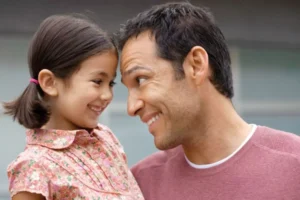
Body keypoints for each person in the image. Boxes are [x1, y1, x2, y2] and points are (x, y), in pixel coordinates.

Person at [115, 2, 300, 199]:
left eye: (141, 80)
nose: (131, 107)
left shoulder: (294, 166)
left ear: (196, 65)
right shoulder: (140, 185)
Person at [3, 15, 143, 200]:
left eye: (110, 83)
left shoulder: (106, 140)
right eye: (97, 81)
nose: (107, 95)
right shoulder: (34, 167)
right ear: (50, 82)